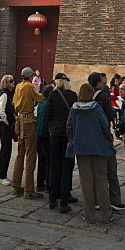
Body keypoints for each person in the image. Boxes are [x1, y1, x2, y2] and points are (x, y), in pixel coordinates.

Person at [66, 82, 115, 225]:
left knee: (86, 182)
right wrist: (106, 139)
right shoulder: (96, 108)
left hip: (82, 148)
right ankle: (106, 215)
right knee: (101, 180)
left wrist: (74, 140)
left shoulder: (74, 110)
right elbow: (105, 125)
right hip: (98, 147)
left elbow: (69, 127)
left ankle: (89, 215)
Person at [88, 72, 124, 211]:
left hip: (90, 136)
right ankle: (115, 200)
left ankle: (96, 199)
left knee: (94, 170)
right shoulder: (102, 95)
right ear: (98, 83)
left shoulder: (85, 95)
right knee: (110, 168)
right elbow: (110, 114)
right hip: (103, 136)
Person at [45, 73, 78, 213]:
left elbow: (48, 115)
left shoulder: (52, 95)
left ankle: (52, 199)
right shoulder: (73, 95)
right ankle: (64, 202)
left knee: (54, 166)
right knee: (66, 168)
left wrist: (52, 127)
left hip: (55, 135)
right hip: (68, 136)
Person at [11, 67, 44, 198]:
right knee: (30, 155)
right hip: (29, 122)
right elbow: (39, 98)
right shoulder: (30, 86)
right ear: (30, 76)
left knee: (20, 154)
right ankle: (29, 189)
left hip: (19, 121)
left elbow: (14, 101)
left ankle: (16, 185)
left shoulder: (18, 86)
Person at [0, 75, 15, 185]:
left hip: (9, 124)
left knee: (8, 149)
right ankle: (1, 175)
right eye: (10, 81)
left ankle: (4, 174)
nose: (13, 82)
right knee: (5, 149)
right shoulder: (4, 95)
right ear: (6, 83)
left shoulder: (11, 94)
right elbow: (1, 111)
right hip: (5, 125)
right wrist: (7, 121)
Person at [36, 82, 52, 190]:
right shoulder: (48, 105)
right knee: (48, 159)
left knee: (41, 159)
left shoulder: (40, 103)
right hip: (46, 134)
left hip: (38, 133)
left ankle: (39, 183)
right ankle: (47, 183)